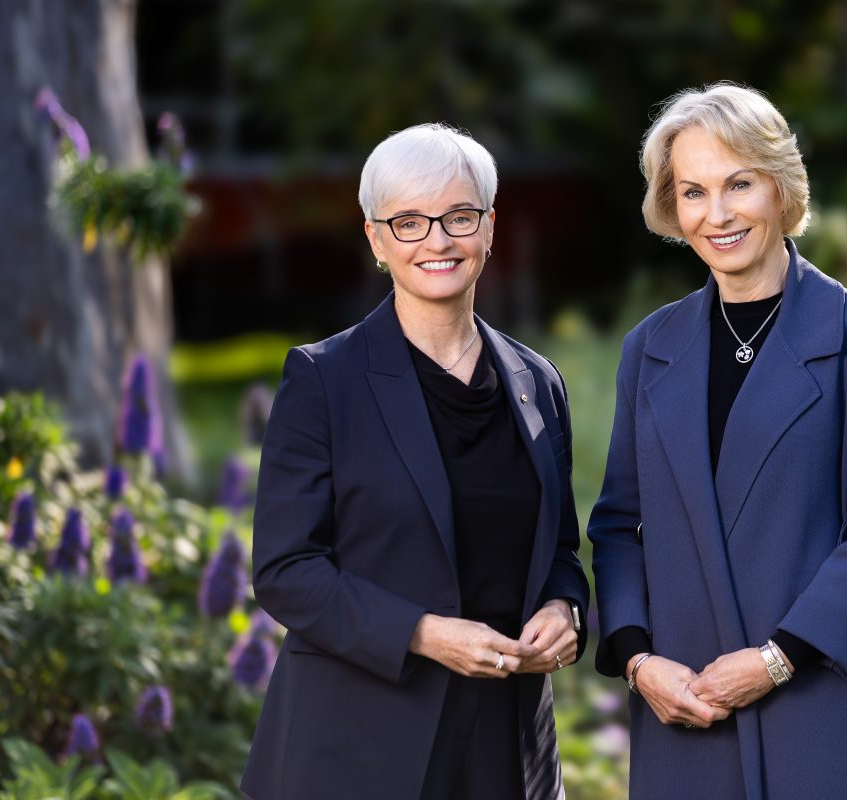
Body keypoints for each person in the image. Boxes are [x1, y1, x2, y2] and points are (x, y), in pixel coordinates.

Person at [589, 83, 847, 799]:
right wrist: (639, 661)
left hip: (819, 710)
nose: (717, 214)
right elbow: (618, 525)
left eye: (739, 184)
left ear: (780, 188)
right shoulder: (649, 348)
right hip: (686, 708)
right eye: (693, 191)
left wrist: (776, 660)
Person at [241, 123, 589, 800]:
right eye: (408, 222)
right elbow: (286, 571)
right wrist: (424, 634)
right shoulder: (323, 379)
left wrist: (566, 606)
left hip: (504, 747)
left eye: (458, 217)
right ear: (375, 238)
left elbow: (559, 551)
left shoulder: (537, 380)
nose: (437, 240)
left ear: (489, 227)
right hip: (358, 746)